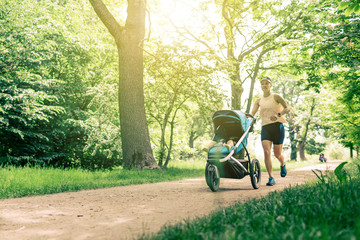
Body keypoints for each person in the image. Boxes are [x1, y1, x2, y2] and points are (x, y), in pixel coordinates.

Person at [250, 76, 290, 186]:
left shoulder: (276, 97)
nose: (264, 85)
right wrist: (246, 117)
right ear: (261, 86)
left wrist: (278, 114)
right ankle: (271, 177)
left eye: (266, 83)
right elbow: (252, 114)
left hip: (278, 127)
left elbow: (287, 108)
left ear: (270, 85)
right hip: (266, 127)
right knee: (266, 152)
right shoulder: (258, 100)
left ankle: (282, 164)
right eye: (262, 83)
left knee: (277, 154)